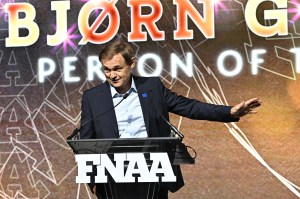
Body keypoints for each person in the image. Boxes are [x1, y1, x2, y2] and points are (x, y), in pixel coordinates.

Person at [80, 41, 261, 199]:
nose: (112, 75)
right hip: (113, 176)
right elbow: (85, 142)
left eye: (118, 68)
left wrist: (230, 111)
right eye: (107, 69)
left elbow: (189, 107)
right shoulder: (92, 97)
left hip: (152, 169)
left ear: (132, 63)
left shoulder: (152, 87)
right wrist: (92, 181)